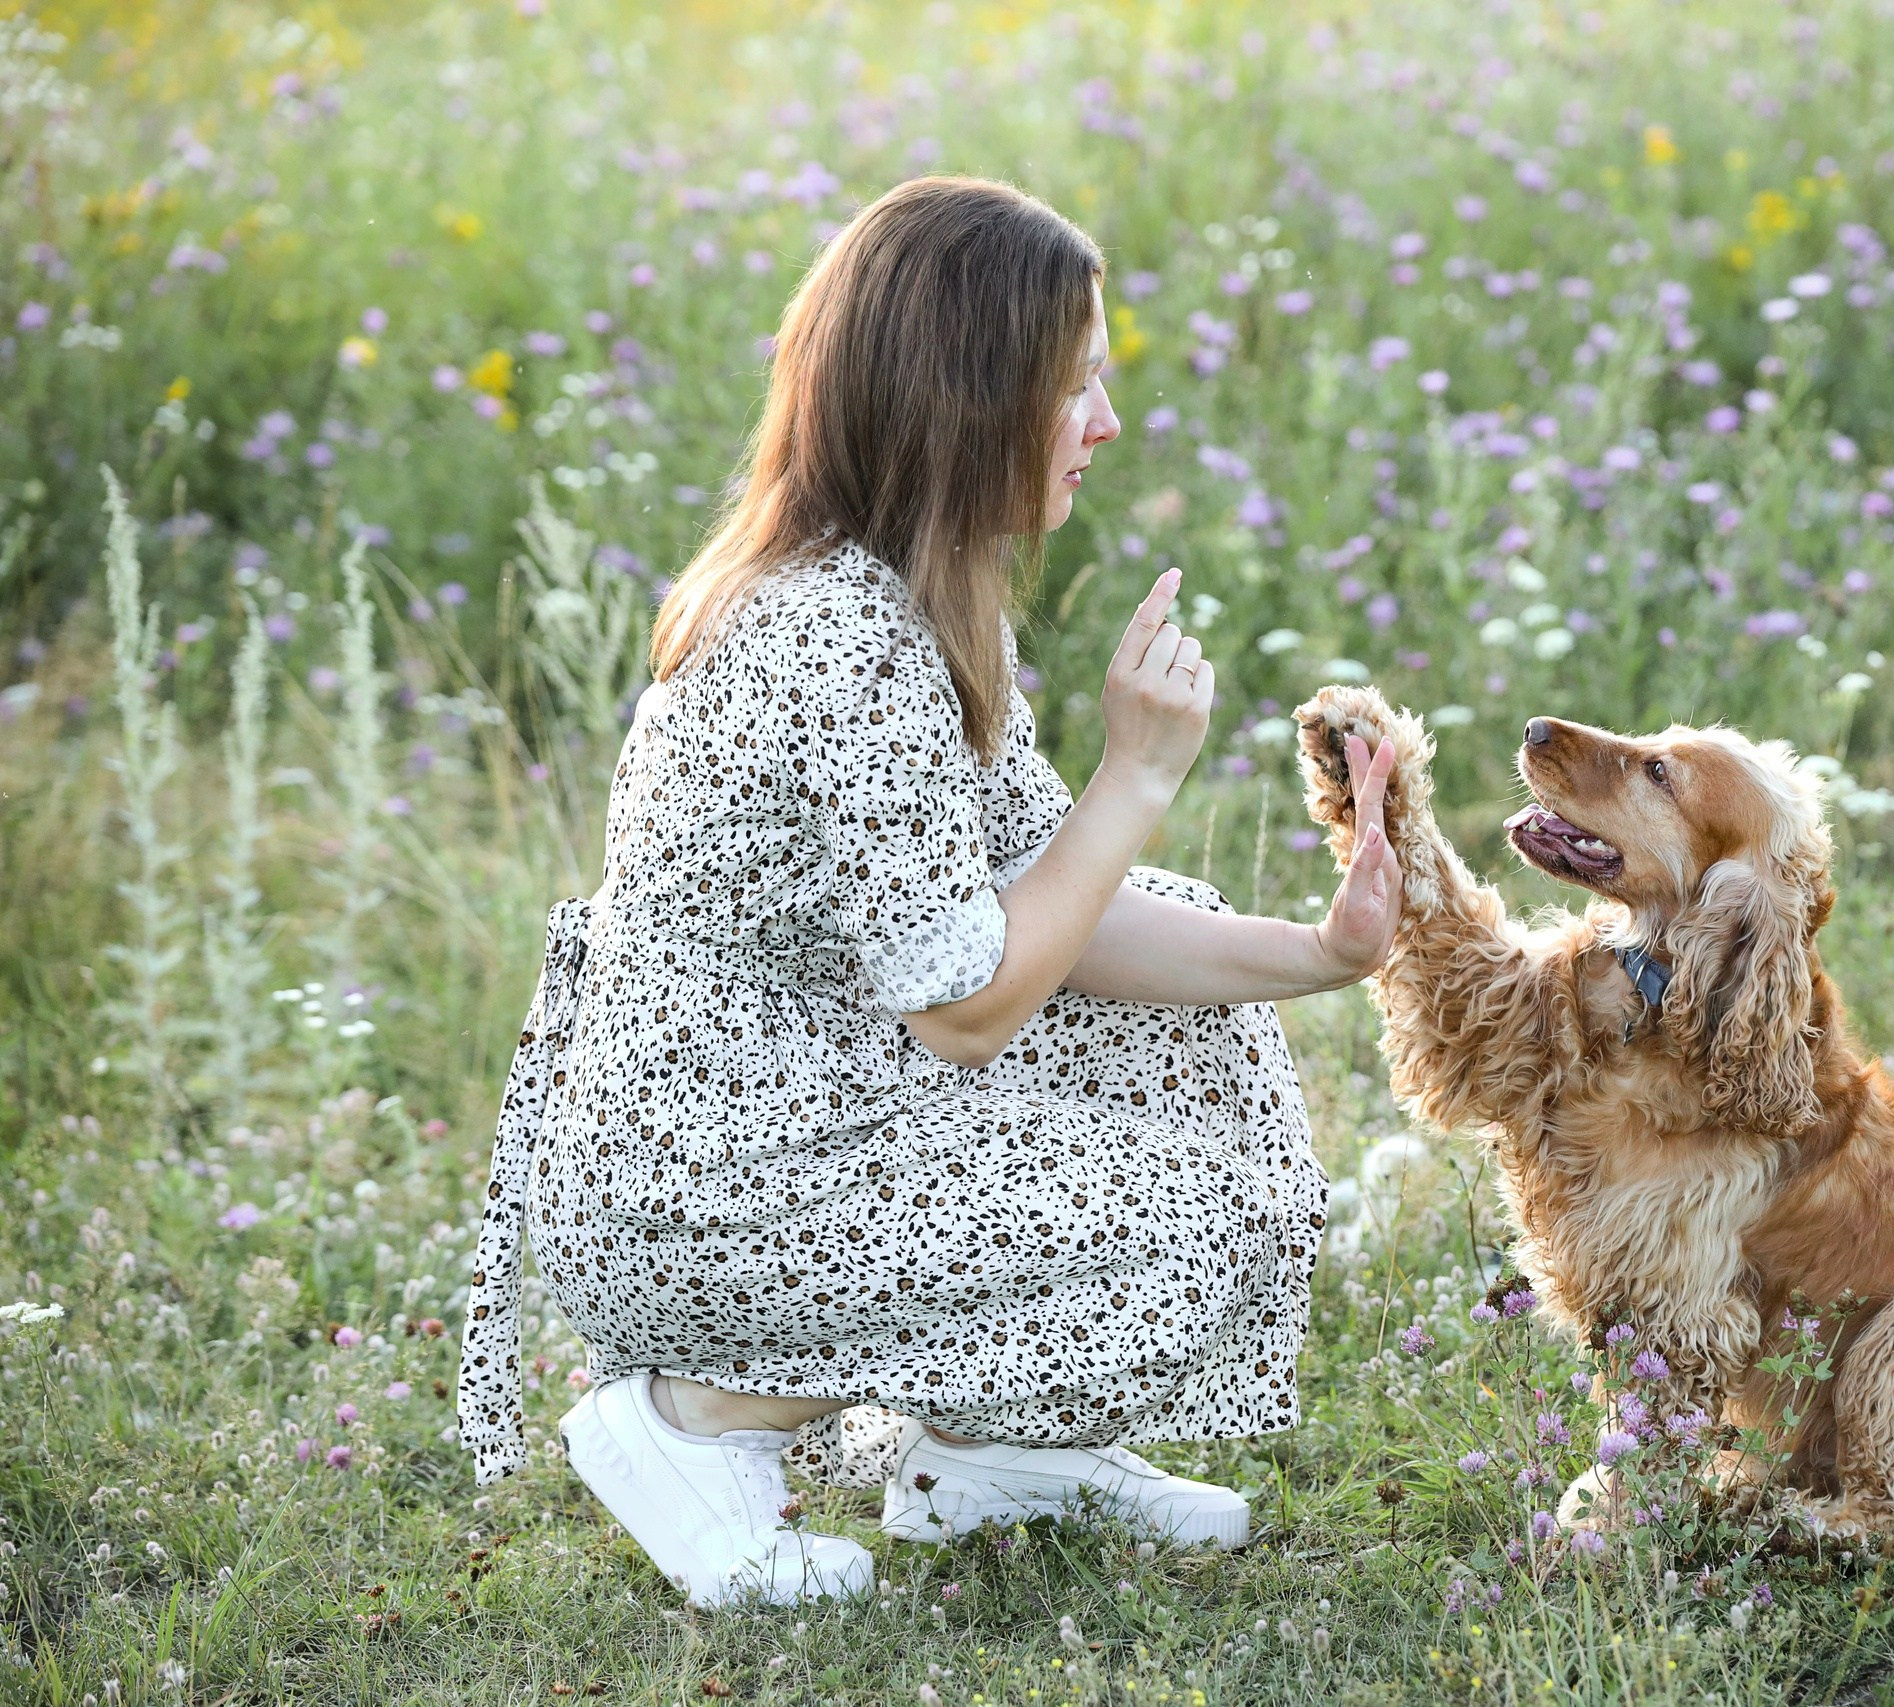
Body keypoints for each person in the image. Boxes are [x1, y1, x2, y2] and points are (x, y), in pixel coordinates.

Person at [454, 175, 1404, 1609]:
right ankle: (695, 1420)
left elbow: (1049, 908)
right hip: (707, 1187)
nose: (1108, 422)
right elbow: (969, 1008)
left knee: (1188, 989)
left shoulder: (909, 602)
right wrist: (1132, 774)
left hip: (788, 1115)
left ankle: (989, 1447)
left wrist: (1323, 950)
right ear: (971, 401)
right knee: (1203, 1214)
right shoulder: (840, 643)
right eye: (1075, 386)